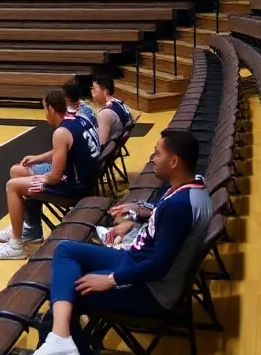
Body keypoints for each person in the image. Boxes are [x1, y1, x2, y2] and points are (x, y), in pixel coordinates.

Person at [33, 128, 213, 355]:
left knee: (64, 301)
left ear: (174, 160)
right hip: (134, 259)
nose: (152, 158)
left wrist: (111, 280)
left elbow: (159, 266)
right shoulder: (192, 190)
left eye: (158, 153)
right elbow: (161, 216)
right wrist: (134, 216)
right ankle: (61, 339)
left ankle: (61, 340)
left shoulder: (180, 207)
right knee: (66, 250)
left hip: (149, 290)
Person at [0, 87, 101, 259]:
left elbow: (55, 177)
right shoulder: (79, 119)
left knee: (12, 186)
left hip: (75, 189)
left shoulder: (61, 132)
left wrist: (44, 178)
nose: (45, 114)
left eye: (44, 109)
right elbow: (65, 149)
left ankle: (16, 246)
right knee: (24, 176)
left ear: (50, 109)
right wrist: (38, 159)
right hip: (87, 182)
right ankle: (30, 229)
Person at [91, 75, 133, 147]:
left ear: (105, 91)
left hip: (107, 152)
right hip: (116, 147)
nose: (91, 91)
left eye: (94, 89)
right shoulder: (120, 103)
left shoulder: (104, 114)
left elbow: (101, 144)